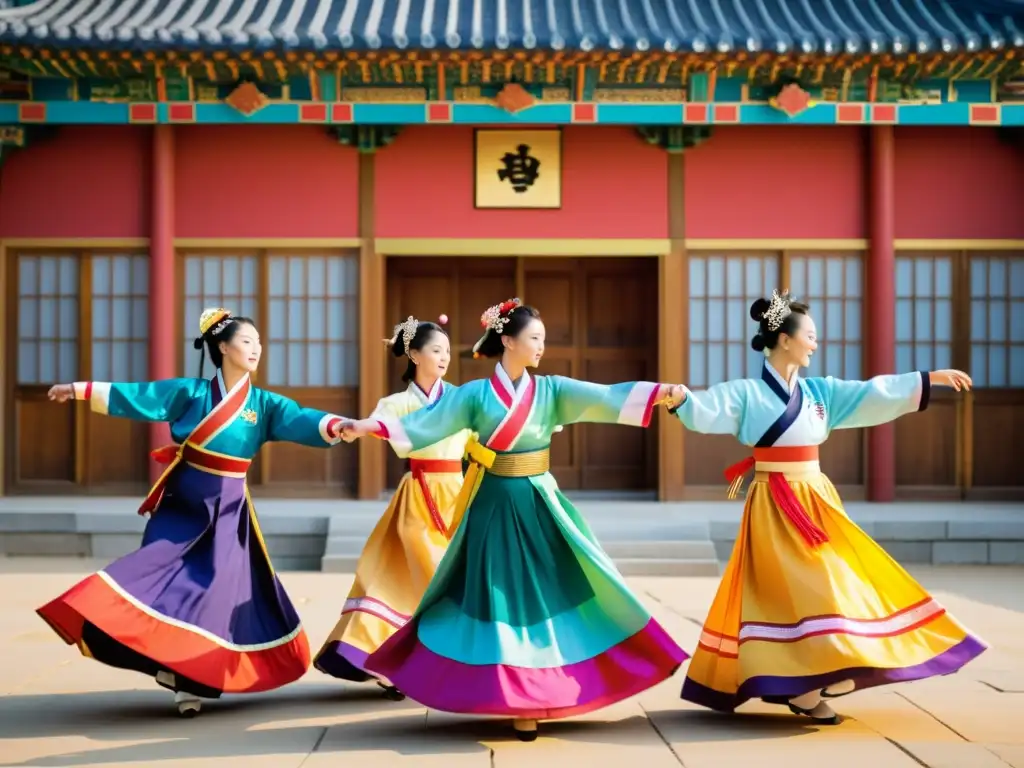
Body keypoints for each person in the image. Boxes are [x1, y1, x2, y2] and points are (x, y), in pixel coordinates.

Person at [341, 299, 689, 741]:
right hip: (490, 506)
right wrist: (366, 426)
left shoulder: (553, 391)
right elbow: (426, 423)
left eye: (543, 339)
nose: (542, 347)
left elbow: (605, 396)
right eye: (535, 339)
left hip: (539, 503)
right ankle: (512, 693)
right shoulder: (473, 396)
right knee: (495, 598)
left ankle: (559, 679)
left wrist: (660, 393)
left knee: (552, 590)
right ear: (507, 341)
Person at [670, 290, 986, 724]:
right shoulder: (745, 393)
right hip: (775, 505)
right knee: (793, 591)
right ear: (784, 339)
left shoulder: (820, 392)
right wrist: (682, 399)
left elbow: (871, 393)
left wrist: (926, 379)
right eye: (811, 336)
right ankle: (805, 684)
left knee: (841, 580)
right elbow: (706, 408)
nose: (816, 344)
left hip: (816, 498)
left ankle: (827, 669)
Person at [38, 308, 351, 718]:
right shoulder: (191, 393)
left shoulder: (263, 405)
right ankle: (165, 664)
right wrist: (79, 389)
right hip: (185, 504)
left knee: (215, 596)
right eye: (246, 341)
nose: (256, 349)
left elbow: (300, 418)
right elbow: (141, 396)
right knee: (160, 578)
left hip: (229, 511)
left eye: (259, 342)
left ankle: (191, 678)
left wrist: (338, 425)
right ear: (222, 347)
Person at [314, 315, 471, 699]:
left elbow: (488, 429)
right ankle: (396, 659)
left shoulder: (461, 398)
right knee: (416, 576)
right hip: (419, 495)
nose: (444, 357)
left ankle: (449, 660)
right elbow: (378, 423)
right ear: (415, 355)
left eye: (448, 352)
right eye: (436, 350)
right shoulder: (397, 403)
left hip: (459, 493)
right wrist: (356, 426)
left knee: (456, 577)